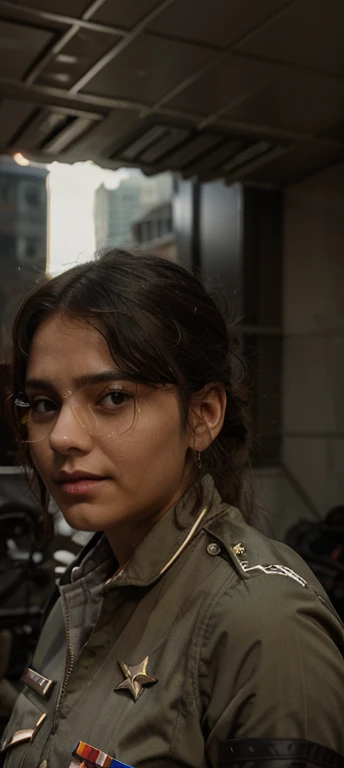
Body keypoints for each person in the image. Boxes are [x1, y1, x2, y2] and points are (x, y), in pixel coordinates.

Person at [1, 248, 344, 768]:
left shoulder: (263, 623)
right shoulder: (84, 591)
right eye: (45, 404)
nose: (63, 437)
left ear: (203, 415)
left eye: (113, 397)